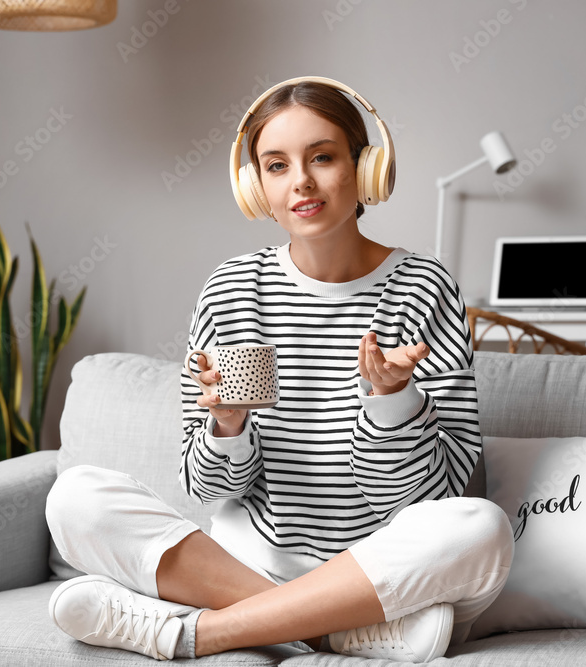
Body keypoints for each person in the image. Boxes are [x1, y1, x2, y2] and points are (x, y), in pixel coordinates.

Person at [45, 76, 514, 662]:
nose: (301, 182)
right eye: (276, 165)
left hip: (382, 570)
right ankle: (333, 632)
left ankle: (195, 634)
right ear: (255, 187)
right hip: (251, 561)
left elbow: (429, 501)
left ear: (366, 169)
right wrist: (227, 426)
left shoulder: (424, 287)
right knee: (75, 497)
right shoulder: (231, 289)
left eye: (322, 157)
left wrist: (392, 401)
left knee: (481, 527)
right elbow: (207, 488)